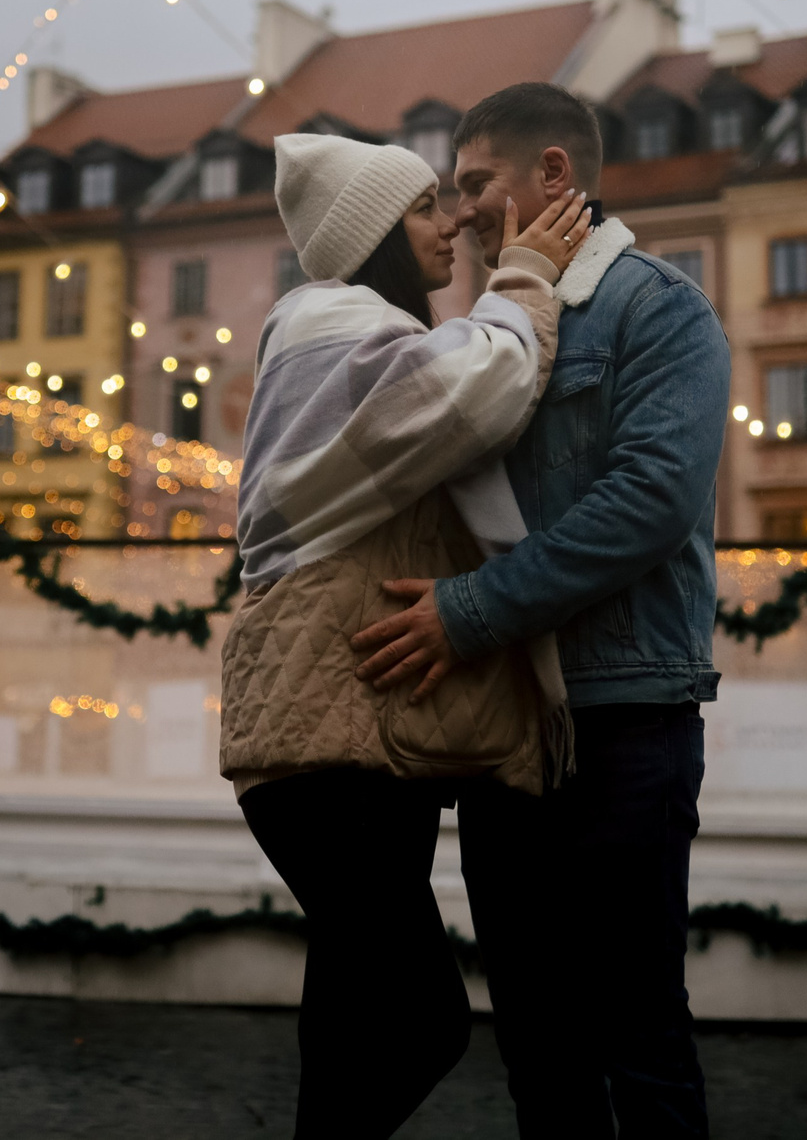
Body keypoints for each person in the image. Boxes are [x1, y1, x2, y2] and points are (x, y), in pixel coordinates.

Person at [351, 81, 729, 1138]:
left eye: (476, 184)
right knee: (534, 1035)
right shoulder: (493, 325)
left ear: (552, 175)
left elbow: (650, 502)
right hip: (506, 723)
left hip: (622, 716)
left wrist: (469, 612)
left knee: (635, 1029)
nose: (461, 210)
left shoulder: (658, 307)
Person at [222, 130, 591, 1140]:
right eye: (427, 207)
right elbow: (480, 390)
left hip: (338, 727)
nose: (452, 223)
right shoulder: (327, 322)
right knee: (420, 1018)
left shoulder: (343, 331)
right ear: (376, 233)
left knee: (350, 1013)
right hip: (325, 736)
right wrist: (524, 279)